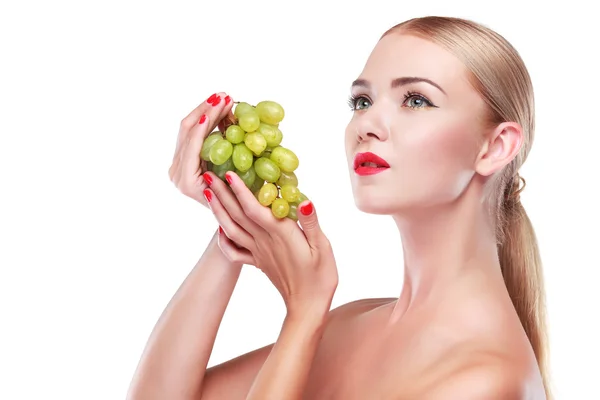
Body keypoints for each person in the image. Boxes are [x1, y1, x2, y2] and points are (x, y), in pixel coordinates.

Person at [127, 16, 551, 399]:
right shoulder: (353, 323)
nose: (366, 124)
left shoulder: (487, 382)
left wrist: (305, 313)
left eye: (416, 100)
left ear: (495, 147)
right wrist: (231, 227)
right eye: (362, 102)